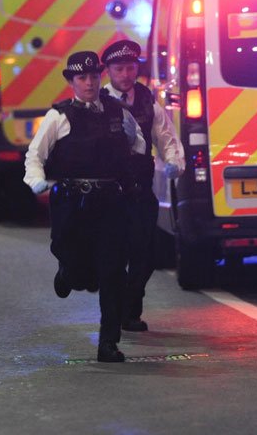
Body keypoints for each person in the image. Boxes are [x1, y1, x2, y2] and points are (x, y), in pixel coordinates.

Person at [23, 51, 146, 363]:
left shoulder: (118, 113)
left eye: (94, 76)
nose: (90, 82)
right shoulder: (59, 117)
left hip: (111, 204)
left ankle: (108, 344)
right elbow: (35, 155)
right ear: (71, 82)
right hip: (73, 204)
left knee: (113, 272)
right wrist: (37, 181)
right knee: (81, 273)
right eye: (82, 78)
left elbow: (139, 144)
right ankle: (68, 272)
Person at [100, 40, 185, 332]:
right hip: (108, 195)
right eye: (119, 68)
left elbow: (166, 136)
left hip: (139, 190)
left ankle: (130, 310)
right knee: (113, 256)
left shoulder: (148, 102)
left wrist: (174, 162)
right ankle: (117, 313)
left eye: (131, 67)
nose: (126, 74)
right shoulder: (96, 104)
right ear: (108, 71)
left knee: (144, 255)